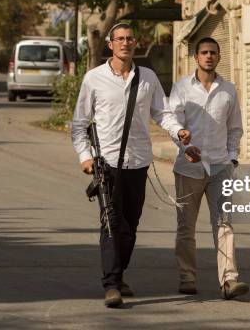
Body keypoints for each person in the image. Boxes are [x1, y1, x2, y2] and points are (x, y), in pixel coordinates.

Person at [71, 23, 191, 308]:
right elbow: (79, 125)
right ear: (110, 45)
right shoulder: (94, 79)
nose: (126, 43)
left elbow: (162, 113)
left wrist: (179, 132)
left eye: (130, 39)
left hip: (137, 162)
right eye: (120, 39)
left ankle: (119, 272)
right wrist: (84, 156)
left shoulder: (147, 77)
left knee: (130, 225)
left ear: (135, 44)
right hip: (107, 163)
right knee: (112, 223)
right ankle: (111, 284)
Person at [168, 36, 249, 300]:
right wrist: (184, 147)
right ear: (196, 57)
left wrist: (233, 157)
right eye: (204, 52)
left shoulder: (228, 90)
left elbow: (235, 127)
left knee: (224, 224)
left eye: (213, 52)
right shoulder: (181, 88)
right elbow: (174, 125)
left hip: (220, 167)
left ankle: (229, 280)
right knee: (186, 226)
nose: (209, 56)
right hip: (188, 168)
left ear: (218, 56)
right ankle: (186, 276)